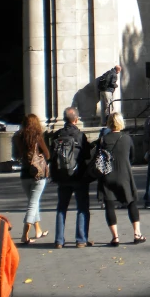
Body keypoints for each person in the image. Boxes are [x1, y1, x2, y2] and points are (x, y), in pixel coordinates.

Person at [98, 112, 145, 246]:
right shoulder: (127, 138)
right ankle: (137, 233)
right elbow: (133, 157)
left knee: (109, 205)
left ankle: (115, 237)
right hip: (124, 175)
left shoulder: (104, 139)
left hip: (107, 175)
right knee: (131, 203)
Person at [51, 107, 92, 249]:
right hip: (78, 176)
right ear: (76, 119)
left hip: (62, 177)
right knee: (82, 208)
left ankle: (59, 240)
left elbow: (52, 157)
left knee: (61, 208)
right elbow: (86, 157)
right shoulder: (80, 136)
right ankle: (81, 239)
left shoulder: (56, 135)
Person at [13, 114, 50, 244]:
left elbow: (15, 155)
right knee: (33, 204)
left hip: (24, 174)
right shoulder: (37, 137)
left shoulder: (17, 137)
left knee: (33, 202)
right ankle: (25, 234)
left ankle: (38, 230)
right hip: (38, 175)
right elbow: (47, 154)